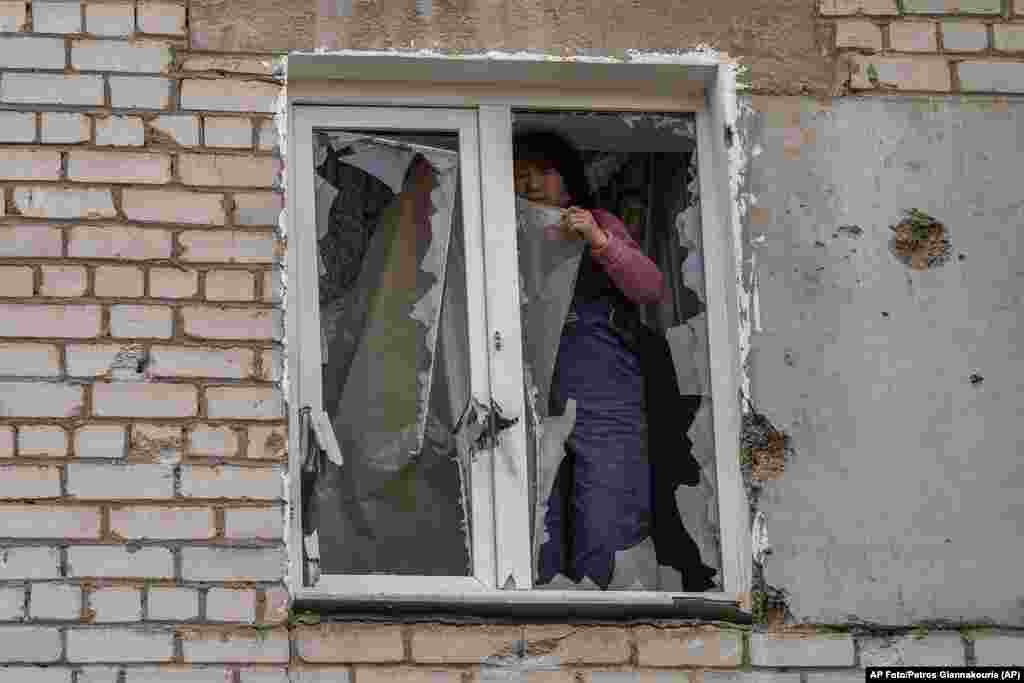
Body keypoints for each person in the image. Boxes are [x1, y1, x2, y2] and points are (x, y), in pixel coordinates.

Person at [513, 130, 666, 590]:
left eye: (544, 172)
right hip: (527, 381)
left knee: (608, 502)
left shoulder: (595, 222)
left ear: (568, 179)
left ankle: (613, 612)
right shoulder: (501, 232)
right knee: (533, 508)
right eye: (520, 174)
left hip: (601, 380)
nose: (531, 183)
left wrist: (599, 239)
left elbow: (650, 288)